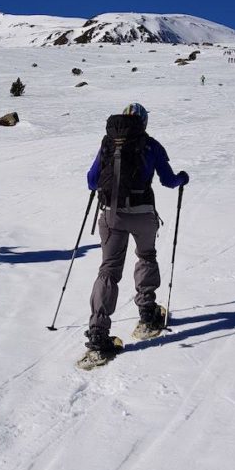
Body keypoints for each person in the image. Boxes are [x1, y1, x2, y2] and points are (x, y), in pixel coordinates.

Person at [83, 103, 189, 360]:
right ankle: (147, 314)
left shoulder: (108, 143)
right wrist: (182, 178)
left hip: (111, 215)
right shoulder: (151, 145)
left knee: (108, 270)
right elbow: (168, 180)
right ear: (143, 122)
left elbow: (91, 179)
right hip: (143, 214)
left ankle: (98, 334)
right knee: (146, 257)